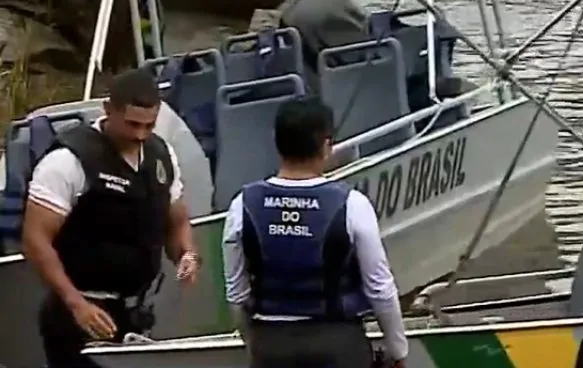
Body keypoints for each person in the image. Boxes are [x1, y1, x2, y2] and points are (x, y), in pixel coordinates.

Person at [22, 69, 201, 368]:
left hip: (135, 310)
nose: (140, 135)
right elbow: (35, 239)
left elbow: (177, 220)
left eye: (149, 125)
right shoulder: (68, 161)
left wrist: (187, 254)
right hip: (80, 309)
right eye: (132, 124)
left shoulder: (160, 154)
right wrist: (76, 303)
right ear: (108, 109)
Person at [222, 97, 408, 368]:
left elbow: (236, 294)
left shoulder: (242, 205)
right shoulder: (352, 204)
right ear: (326, 146)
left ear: (276, 142)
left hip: (271, 345)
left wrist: (253, 342)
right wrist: (398, 351)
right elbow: (380, 288)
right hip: (338, 343)